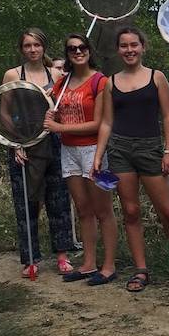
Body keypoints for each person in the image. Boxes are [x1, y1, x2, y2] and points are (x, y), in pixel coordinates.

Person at [92, 27, 169, 291]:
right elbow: (106, 122)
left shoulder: (156, 77)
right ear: (118, 50)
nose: (129, 50)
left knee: (167, 211)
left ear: (143, 47)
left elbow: (168, 116)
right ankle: (141, 269)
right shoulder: (110, 82)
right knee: (130, 211)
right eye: (124, 46)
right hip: (120, 150)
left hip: (150, 148)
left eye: (134, 45)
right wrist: (98, 155)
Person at [44, 33, 119, 286]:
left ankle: (108, 265)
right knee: (83, 209)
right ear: (66, 53)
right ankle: (88, 263)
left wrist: (58, 128)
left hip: (92, 151)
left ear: (89, 50)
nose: (77, 52)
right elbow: (52, 111)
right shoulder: (62, 83)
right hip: (69, 152)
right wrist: (49, 115)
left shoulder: (100, 81)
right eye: (72, 48)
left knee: (102, 210)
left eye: (82, 47)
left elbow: (98, 123)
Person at [1, 28, 74, 278]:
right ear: (21, 49)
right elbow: (4, 112)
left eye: (37, 45)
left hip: (53, 141)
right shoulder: (13, 74)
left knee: (58, 199)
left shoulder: (55, 74)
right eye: (27, 46)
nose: (32, 50)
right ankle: (30, 259)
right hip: (24, 144)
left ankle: (63, 255)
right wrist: (16, 143)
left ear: (44, 47)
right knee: (26, 201)